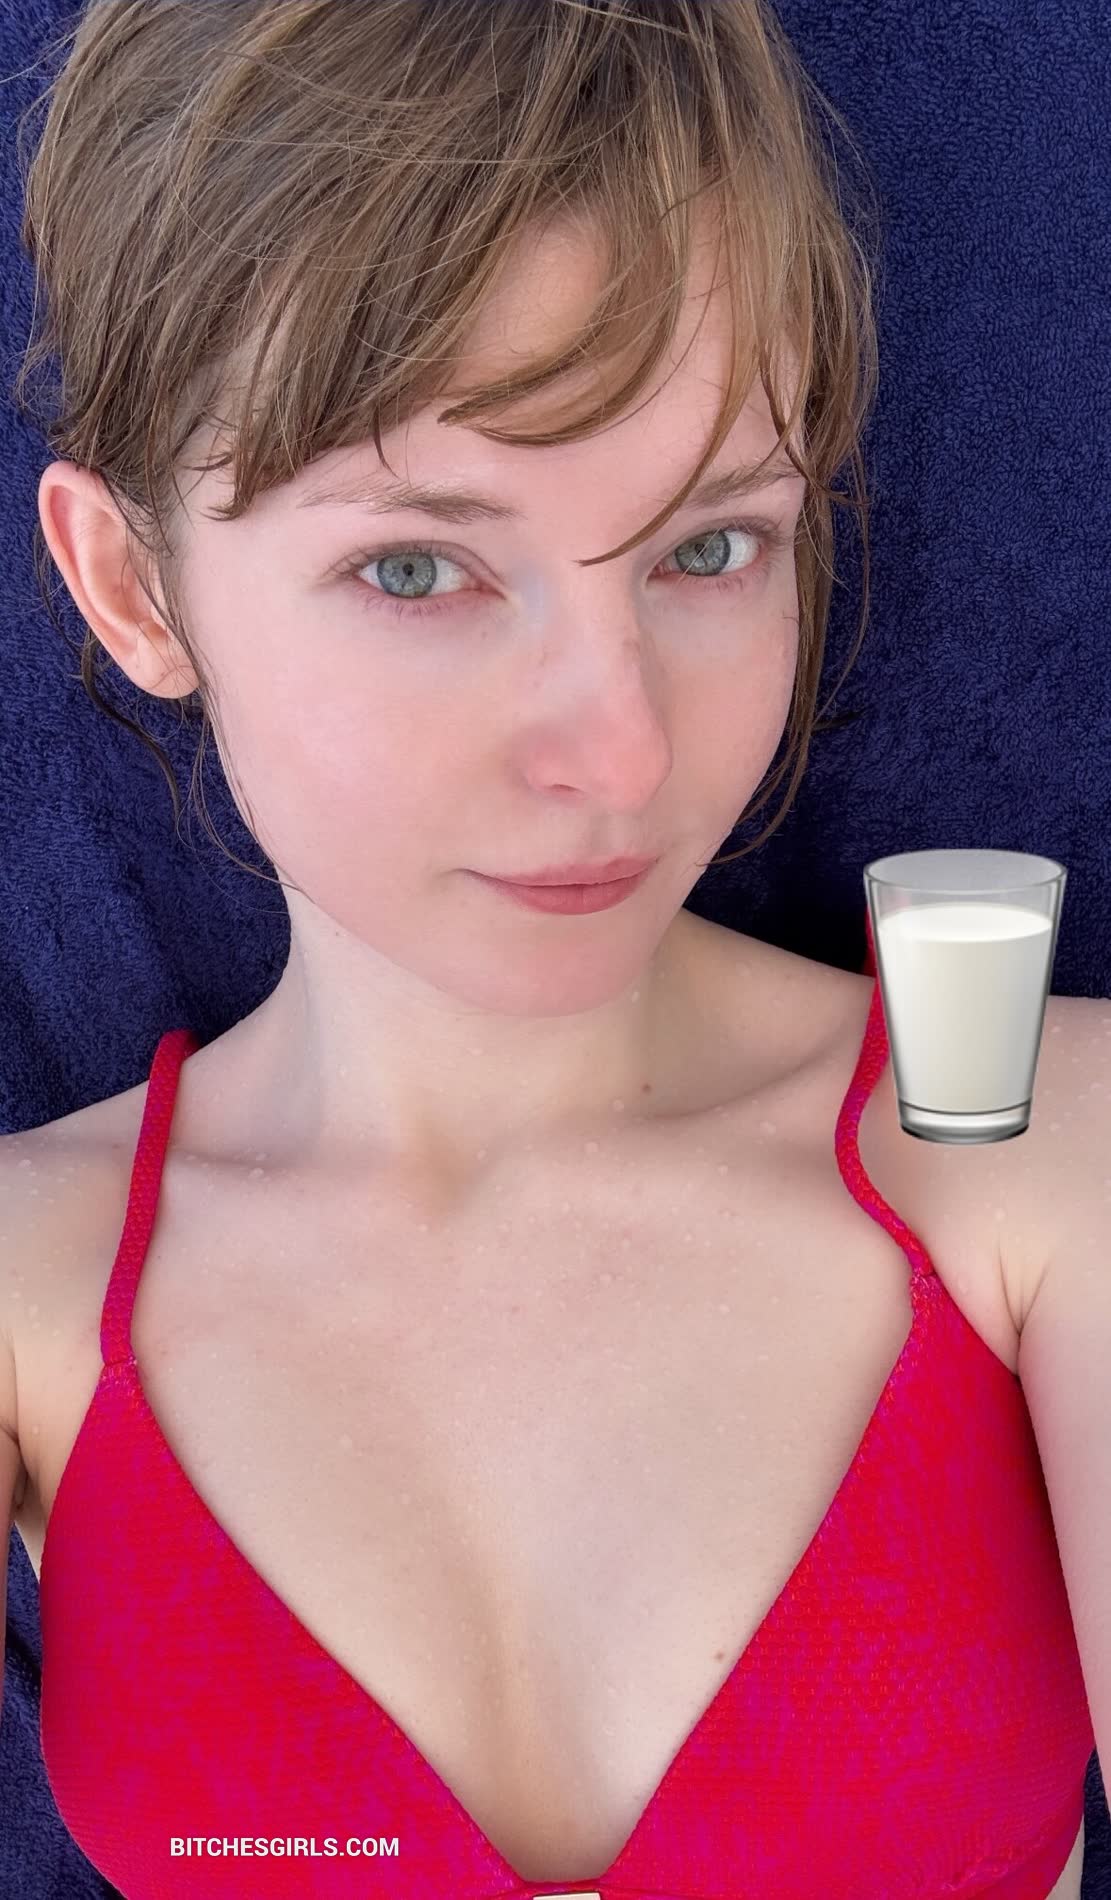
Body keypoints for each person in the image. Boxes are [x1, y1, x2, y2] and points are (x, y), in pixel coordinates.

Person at [0, 3, 1094, 1896]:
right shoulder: (28, 1281)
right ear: (131, 586)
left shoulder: (1041, 1151)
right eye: (418, 568)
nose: (624, 753)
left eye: (710, 549)